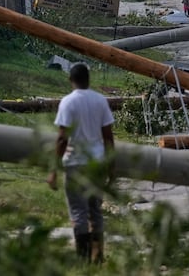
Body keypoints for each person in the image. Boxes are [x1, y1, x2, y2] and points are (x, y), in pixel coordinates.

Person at [48, 63, 116, 264]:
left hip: (76, 164)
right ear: (88, 80)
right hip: (96, 163)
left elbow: (62, 138)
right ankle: (98, 255)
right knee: (95, 210)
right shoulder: (100, 100)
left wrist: (53, 169)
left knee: (79, 211)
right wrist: (112, 167)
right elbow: (108, 138)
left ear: (71, 80)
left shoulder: (68, 102)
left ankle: (83, 257)